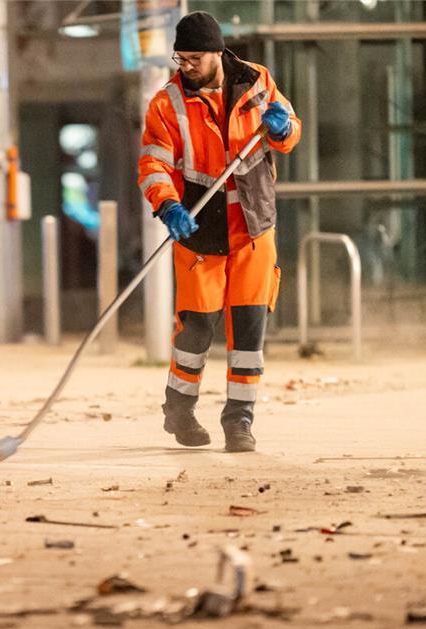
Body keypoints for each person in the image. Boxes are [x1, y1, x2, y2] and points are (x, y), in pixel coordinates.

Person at [137, 11, 301, 452]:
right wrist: (167, 204)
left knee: (249, 330)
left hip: (253, 226)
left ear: (215, 54)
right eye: (180, 58)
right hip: (199, 230)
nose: (185, 66)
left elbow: (288, 131)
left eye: (193, 58)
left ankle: (240, 420)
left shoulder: (257, 81)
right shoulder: (166, 104)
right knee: (196, 328)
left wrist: (284, 128)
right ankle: (180, 409)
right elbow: (153, 163)